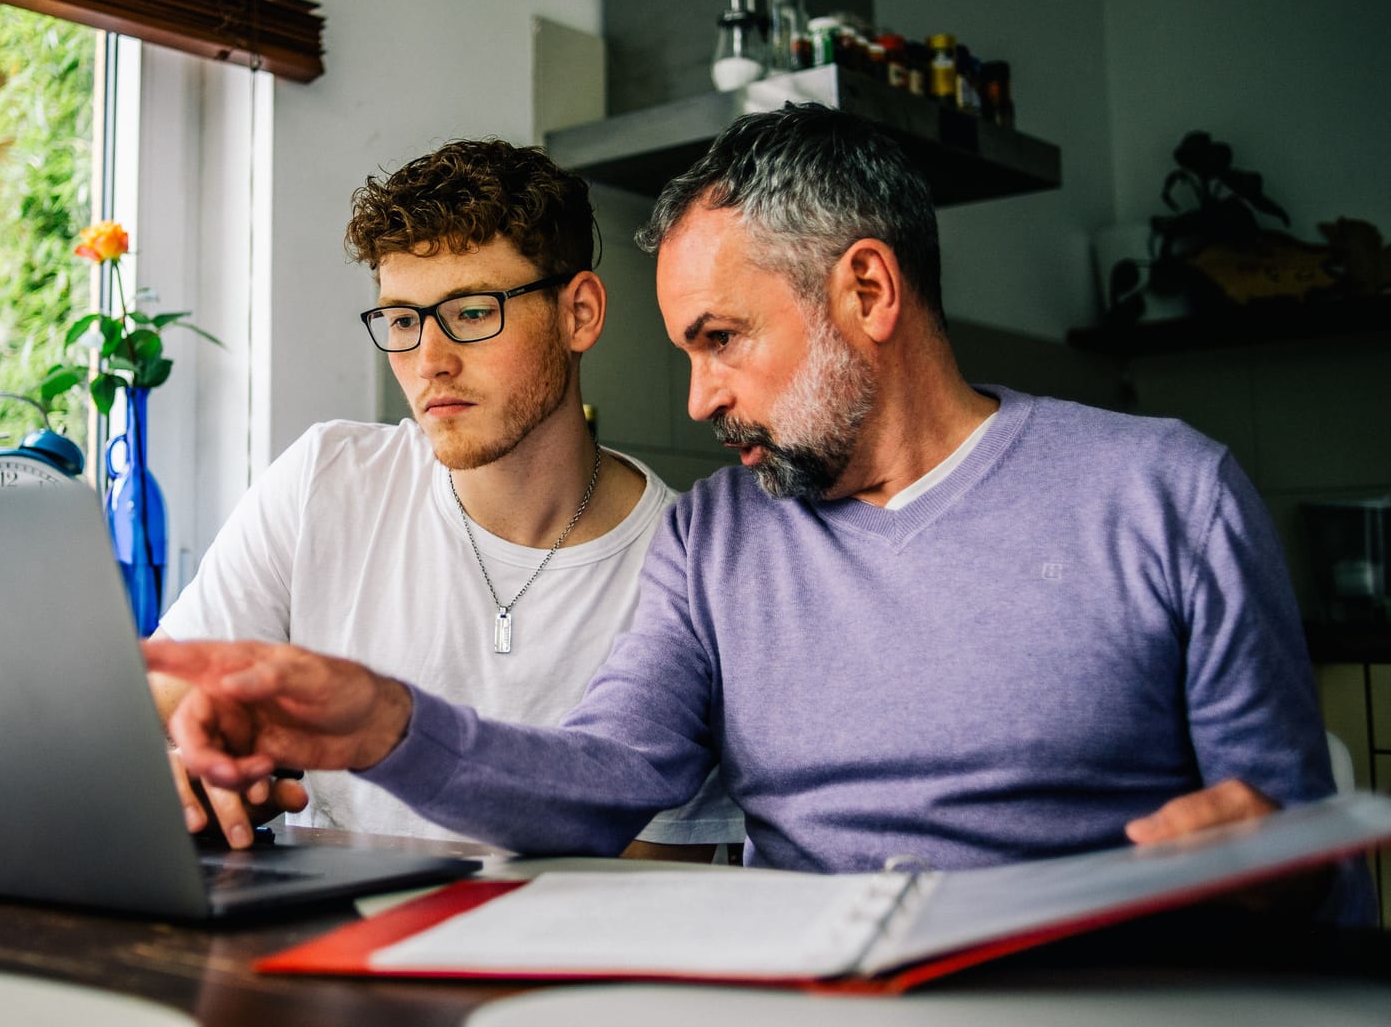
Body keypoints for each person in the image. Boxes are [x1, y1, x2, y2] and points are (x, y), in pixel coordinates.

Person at [148, 104, 1371, 923]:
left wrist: (1259, 870)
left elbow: (1298, 851)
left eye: (723, 339)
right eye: (687, 345)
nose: (697, 393)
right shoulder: (717, 535)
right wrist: (386, 722)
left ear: (870, 289)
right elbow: (602, 778)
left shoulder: (1169, 492)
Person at [149, 138, 739, 854]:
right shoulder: (323, 479)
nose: (429, 362)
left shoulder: (686, 565)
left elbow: (648, 889)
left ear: (578, 313)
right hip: (319, 949)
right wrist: (179, 771)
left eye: (471, 311)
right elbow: (158, 714)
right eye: (402, 320)